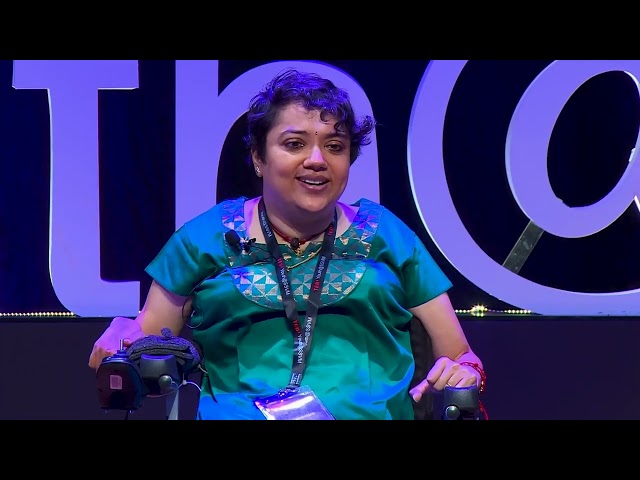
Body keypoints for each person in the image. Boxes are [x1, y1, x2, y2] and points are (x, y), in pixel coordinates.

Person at [88, 67, 486, 420]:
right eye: (295, 144)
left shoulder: (389, 237)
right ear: (258, 158)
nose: (317, 159)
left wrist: (465, 371)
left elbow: (461, 356)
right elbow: (148, 342)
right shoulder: (203, 239)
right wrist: (125, 336)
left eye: (335, 146)